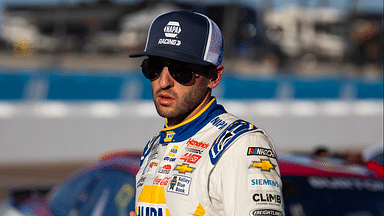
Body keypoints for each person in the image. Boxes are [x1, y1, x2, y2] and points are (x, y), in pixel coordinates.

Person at [128, 10, 285, 216]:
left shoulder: (241, 145)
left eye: (180, 70)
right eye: (154, 67)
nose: (163, 82)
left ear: (213, 77)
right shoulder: (153, 147)